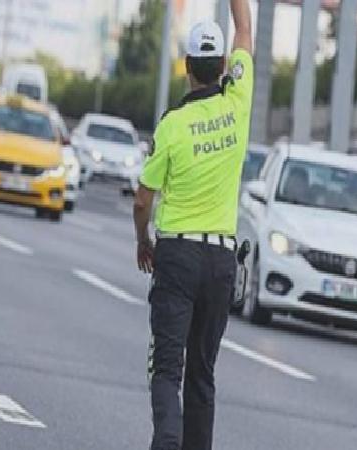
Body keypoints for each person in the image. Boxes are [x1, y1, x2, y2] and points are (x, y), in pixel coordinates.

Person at [132, 1, 253, 449]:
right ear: (223, 66)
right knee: (203, 373)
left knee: (166, 368)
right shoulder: (238, 105)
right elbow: (243, 27)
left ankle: (166, 440)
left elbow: (143, 199)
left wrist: (143, 241)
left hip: (178, 256)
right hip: (221, 259)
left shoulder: (173, 126)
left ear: (187, 67)